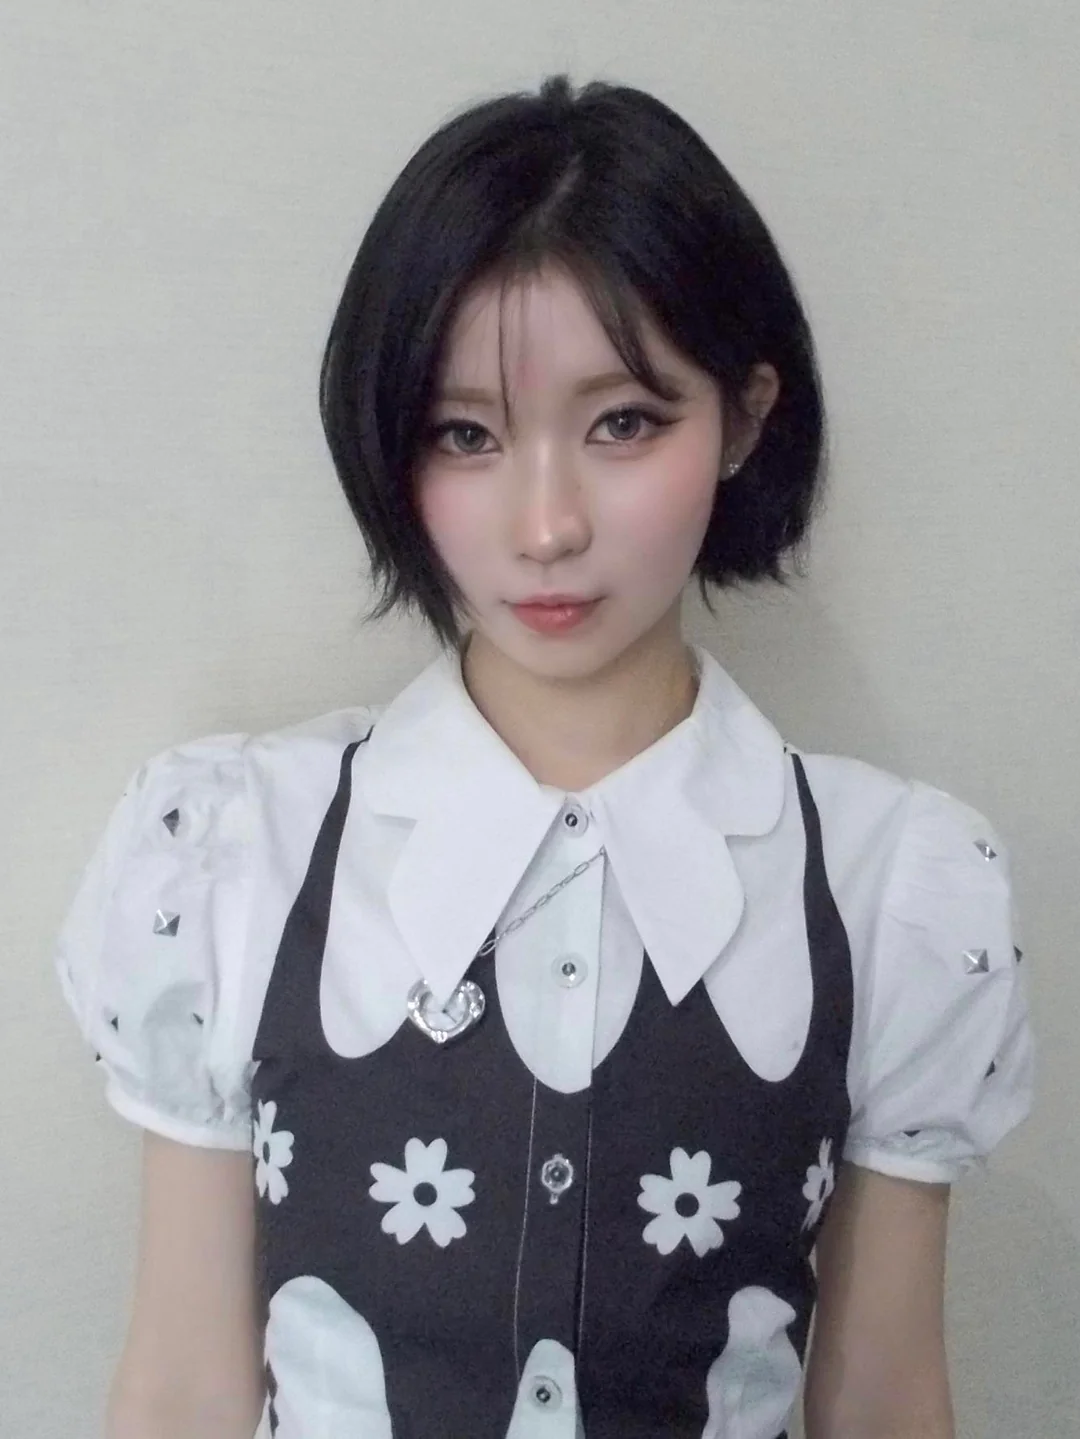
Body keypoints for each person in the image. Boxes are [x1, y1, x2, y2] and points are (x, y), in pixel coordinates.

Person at [55, 74, 1034, 1439]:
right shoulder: (235, 852)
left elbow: (882, 1402)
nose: (547, 525)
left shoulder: (887, 888)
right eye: (466, 435)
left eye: (623, 422)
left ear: (746, 418)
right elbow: (181, 1391)